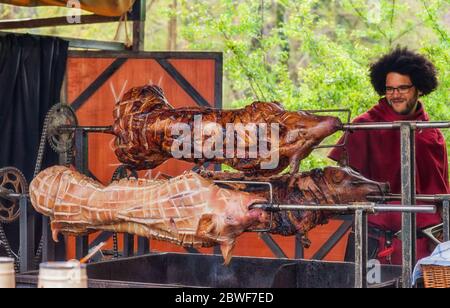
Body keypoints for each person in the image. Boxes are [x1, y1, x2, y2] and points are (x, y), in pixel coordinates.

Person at [329, 47, 449, 265]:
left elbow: (441, 191)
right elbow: (342, 181)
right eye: (390, 89)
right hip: (374, 238)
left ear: (419, 88)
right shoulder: (364, 125)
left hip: (424, 241)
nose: (395, 95)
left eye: (402, 88)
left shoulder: (432, 133)